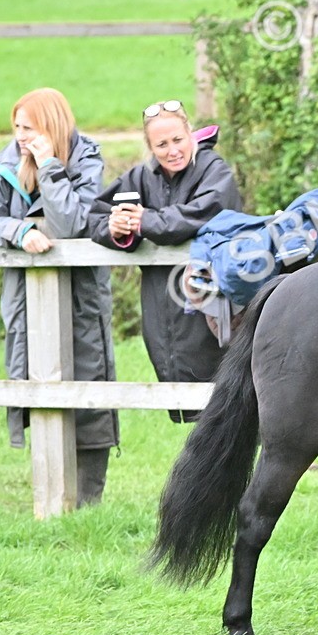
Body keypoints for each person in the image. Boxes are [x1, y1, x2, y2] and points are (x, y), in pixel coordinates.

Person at [0, 88, 118, 506]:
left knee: (89, 379)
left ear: (51, 126)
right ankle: (50, 498)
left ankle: (88, 504)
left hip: (81, 295)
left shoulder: (85, 159)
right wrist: (19, 232)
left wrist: (50, 165)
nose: (20, 136)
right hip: (25, 297)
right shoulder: (6, 163)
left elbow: (71, 223)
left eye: (28, 128)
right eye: (16, 127)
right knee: (33, 379)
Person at [87, 100, 242, 422]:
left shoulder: (215, 170)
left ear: (190, 134)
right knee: (193, 409)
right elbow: (96, 217)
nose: (172, 150)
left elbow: (203, 214)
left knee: (230, 403)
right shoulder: (141, 177)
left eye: (177, 140)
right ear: (150, 147)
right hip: (161, 305)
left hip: (212, 301)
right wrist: (116, 228)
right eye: (161, 144)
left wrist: (144, 222)